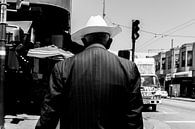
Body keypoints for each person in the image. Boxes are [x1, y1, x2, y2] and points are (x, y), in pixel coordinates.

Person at [35, 15, 143, 129]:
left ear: (83, 41)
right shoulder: (128, 69)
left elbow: (49, 114)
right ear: (109, 42)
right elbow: (134, 119)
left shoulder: (62, 68)